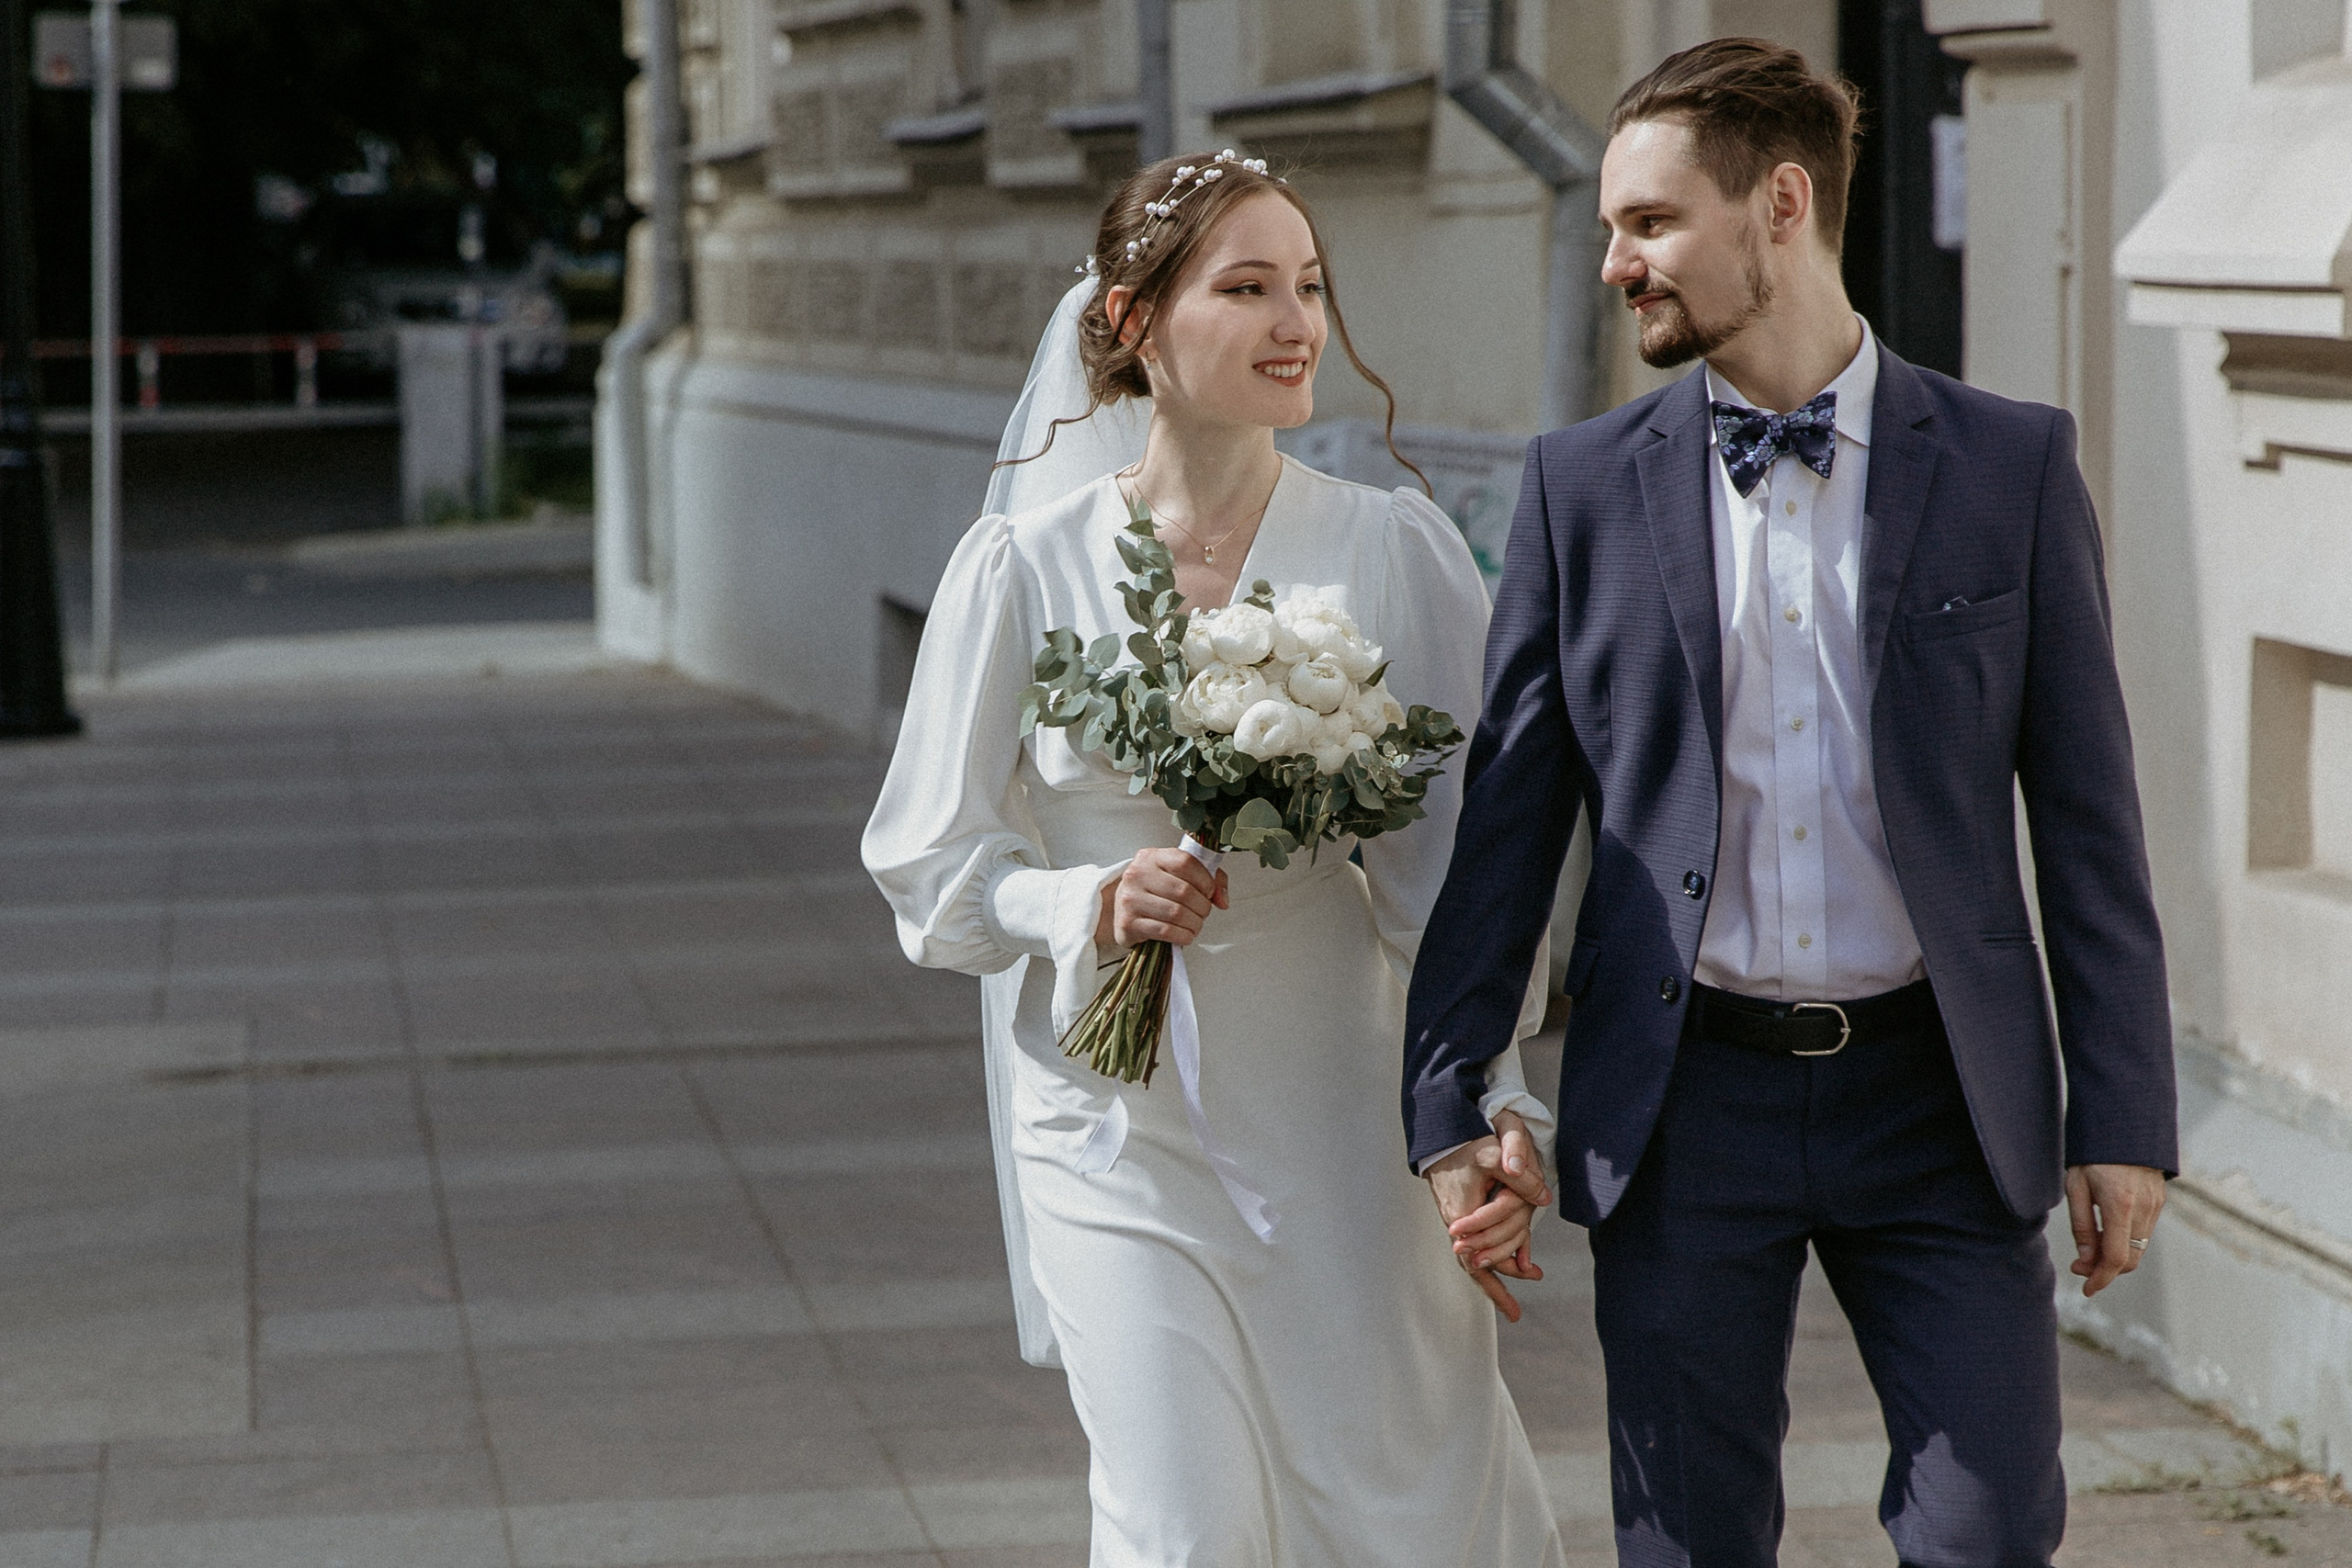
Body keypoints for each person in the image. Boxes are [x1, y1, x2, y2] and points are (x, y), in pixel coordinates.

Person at [1403, 39, 2177, 1568]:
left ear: (1781, 203)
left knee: (1990, 1535)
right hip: (1687, 1102)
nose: (1614, 262)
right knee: (1689, 1544)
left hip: (1941, 1097)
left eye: (1650, 221)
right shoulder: (1579, 489)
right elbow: (1509, 826)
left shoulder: (2013, 467)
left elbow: (2092, 822)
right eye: (1613, 225)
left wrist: (2125, 1115)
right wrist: (1450, 1098)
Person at [864, 152, 1566, 1566]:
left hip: (1340, 1112)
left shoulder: (1393, 550)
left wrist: (1487, 1105)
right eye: (1246, 289)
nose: (1296, 323)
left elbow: (1451, 889)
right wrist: (1081, 900)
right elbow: (929, 867)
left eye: (1308, 286)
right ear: (1134, 323)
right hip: (1110, 1126)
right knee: (1182, 1527)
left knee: (1395, 1509)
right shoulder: (1024, 567)